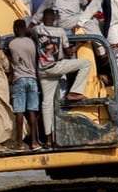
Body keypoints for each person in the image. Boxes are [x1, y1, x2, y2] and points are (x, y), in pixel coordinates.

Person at [31, 8, 91, 149]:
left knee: (46, 104)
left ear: (44, 18)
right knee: (86, 63)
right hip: (56, 66)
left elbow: (30, 30)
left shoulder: (37, 30)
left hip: (43, 70)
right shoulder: (60, 32)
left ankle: (48, 140)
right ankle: (75, 92)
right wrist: (79, 44)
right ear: (54, 19)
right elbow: (69, 52)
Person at [6, 19, 41, 151]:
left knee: (19, 112)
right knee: (32, 111)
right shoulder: (32, 43)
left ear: (15, 29)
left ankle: (19, 143)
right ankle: (34, 142)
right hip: (33, 79)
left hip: (19, 79)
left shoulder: (12, 43)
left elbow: (10, 59)